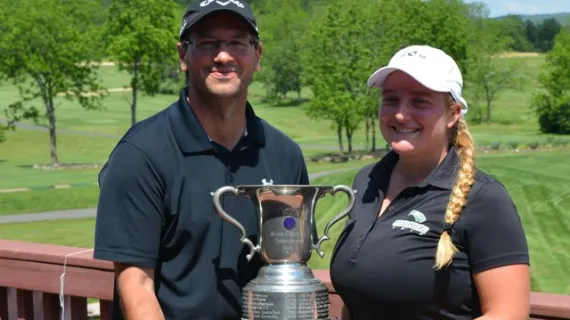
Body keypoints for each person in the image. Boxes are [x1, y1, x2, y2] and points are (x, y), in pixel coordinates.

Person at [93, 0, 309, 319]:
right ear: (183, 55)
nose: (223, 56)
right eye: (207, 43)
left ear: (257, 55)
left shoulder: (284, 154)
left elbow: (290, 267)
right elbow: (136, 285)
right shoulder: (141, 154)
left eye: (237, 42)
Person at [329, 45, 530, 320]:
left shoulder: (484, 199)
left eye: (419, 101)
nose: (401, 114)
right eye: (390, 99)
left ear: (453, 114)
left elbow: (510, 313)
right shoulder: (367, 180)